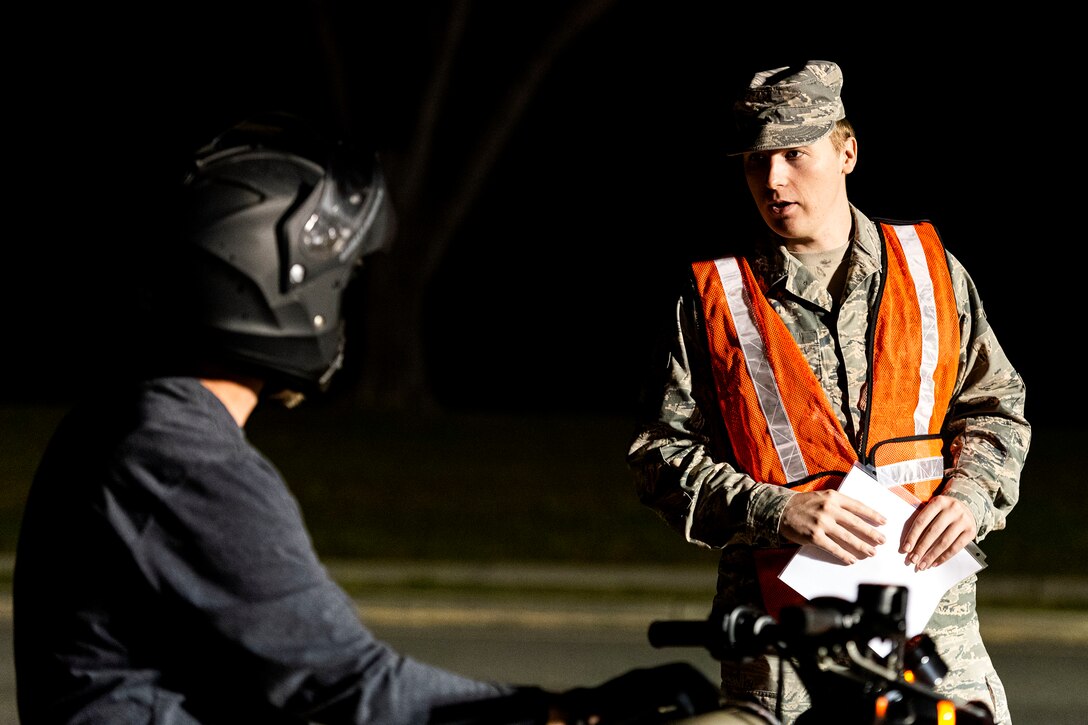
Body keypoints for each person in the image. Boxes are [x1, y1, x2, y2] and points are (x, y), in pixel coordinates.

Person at [12, 113, 716, 725]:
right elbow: (355, 686)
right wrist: (568, 711)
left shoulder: (124, 421)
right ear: (286, 284)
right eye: (341, 280)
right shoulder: (186, 460)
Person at [627, 60, 1029, 725]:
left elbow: (995, 409)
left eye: (794, 153)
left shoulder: (930, 270)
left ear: (846, 152)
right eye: (757, 160)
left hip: (932, 636)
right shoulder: (713, 300)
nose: (773, 179)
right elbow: (658, 454)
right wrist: (770, 509)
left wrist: (968, 497)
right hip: (784, 650)